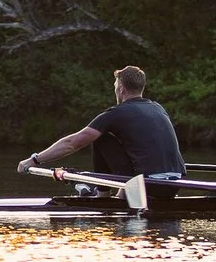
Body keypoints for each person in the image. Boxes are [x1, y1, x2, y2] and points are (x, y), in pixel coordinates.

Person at [19, 65, 184, 185]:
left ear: (120, 89)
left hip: (147, 186)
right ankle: (115, 192)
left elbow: (73, 143)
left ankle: (102, 195)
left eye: (115, 87)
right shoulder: (158, 108)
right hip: (175, 183)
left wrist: (34, 160)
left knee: (100, 139)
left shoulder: (117, 112)